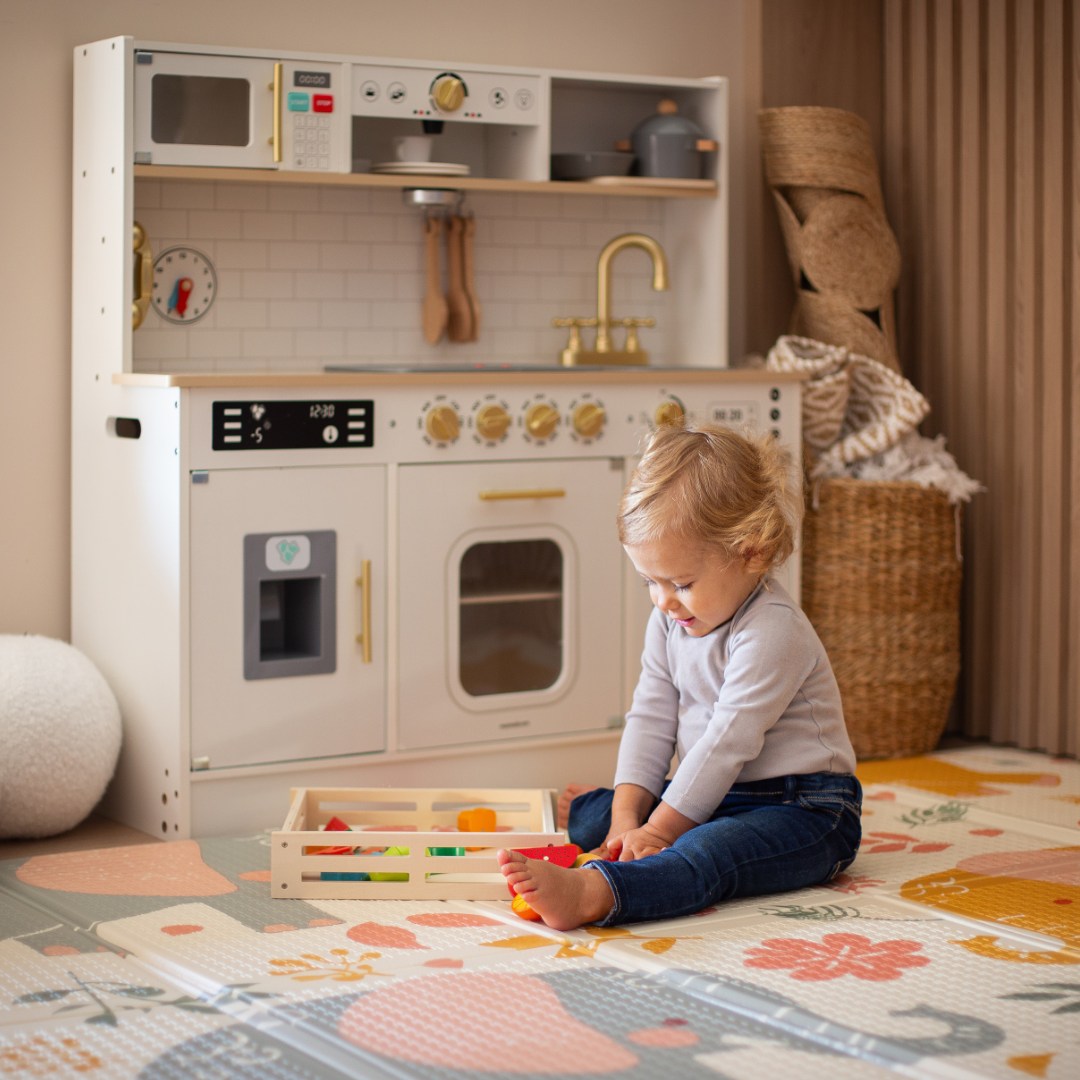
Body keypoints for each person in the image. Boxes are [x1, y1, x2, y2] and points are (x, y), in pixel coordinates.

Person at [498, 420, 861, 930]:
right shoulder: (670, 620)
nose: (664, 601)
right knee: (602, 814)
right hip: (720, 792)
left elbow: (725, 743)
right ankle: (609, 817)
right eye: (650, 581)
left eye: (682, 583)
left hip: (805, 809)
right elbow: (650, 716)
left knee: (706, 852)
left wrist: (661, 830)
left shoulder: (774, 631)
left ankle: (595, 893)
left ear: (751, 550)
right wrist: (627, 817)